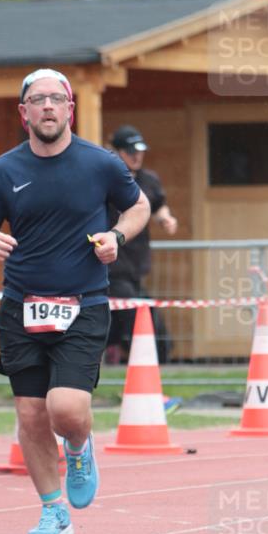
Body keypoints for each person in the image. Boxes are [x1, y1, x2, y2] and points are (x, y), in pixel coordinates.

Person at [0, 69, 150, 534]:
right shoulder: (4, 170)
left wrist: (116, 236)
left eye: (55, 98)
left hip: (83, 302)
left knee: (65, 408)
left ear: (70, 108)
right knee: (30, 415)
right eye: (37, 99)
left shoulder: (100, 164)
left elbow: (139, 207)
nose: (47, 106)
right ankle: (53, 511)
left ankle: (79, 446)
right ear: (23, 112)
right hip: (20, 304)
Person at [106, 125, 178, 364]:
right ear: (117, 152)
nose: (137, 156)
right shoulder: (107, 179)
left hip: (136, 266)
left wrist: (165, 218)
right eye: (130, 151)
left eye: (140, 151)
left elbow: (158, 206)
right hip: (111, 267)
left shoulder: (148, 180)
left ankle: (122, 353)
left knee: (124, 322)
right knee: (140, 319)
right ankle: (147, 362)